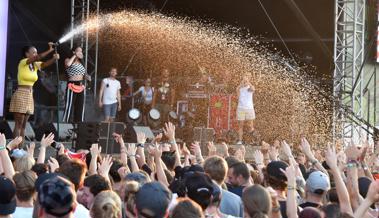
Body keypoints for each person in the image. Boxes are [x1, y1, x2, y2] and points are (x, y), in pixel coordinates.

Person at [9, 43, 59, 139]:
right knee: (18, 124)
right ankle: (14, 150)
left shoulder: (35, 65)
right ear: (27, 54)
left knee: (24, 125)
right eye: (33, 52)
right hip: (21, 94)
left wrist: (54, 59)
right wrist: (49, 50)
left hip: (29, 94)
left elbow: (45, 64)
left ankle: (20, 149)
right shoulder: (23, 62)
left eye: (36, 52)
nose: (36, 54)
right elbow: (39, 57)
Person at [62, 45, 91, 123]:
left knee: (80, 106)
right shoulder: (68, 59)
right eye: (78, 51)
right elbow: (68, 65)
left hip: (80, 85)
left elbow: (83, 74)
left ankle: (78, 124)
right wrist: (75, 55)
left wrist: (87, 77)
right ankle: (66, 122)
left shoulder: (81, 63)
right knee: (69, 105)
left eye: (81, 51)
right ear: (73, 51)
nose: (80, 52)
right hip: (72, 84)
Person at [236, 74, 256, 145]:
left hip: (249, 109)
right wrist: (241, 85)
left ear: (249, 80)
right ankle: (240, 140)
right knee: (241, 125)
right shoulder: (239, 88)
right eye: (243, 79)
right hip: (241, 109)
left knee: (250, 126)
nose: (245, 81)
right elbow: (238, 97)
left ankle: (252, 140)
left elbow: (253, 89)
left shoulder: (250, 87)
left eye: (246, 80)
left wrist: (248, 83)